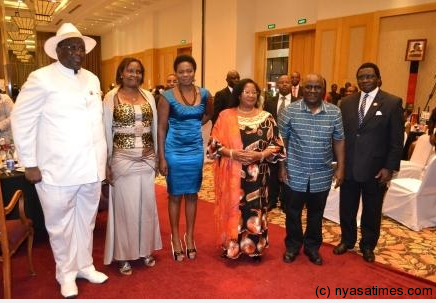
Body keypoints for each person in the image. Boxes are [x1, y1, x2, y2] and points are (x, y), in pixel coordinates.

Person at [10, 23, 108, 298]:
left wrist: (103, 162)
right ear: (58, 51)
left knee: (86, 221)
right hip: (57, 169)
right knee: (60, 225)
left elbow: (96, 122)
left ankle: (85, 265)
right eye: (72, 47)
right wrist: (29, 162)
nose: (78, 52)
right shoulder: (41, 78)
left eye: (81, 48)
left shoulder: (92, 79)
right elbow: (22, 120)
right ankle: (65, 273)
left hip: (91, 167)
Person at [208, 78, 285, 261]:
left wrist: (259, 155)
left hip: (258, 174)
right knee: (233, 208)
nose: (251, 95)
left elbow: (277, 146)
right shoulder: (226, 115)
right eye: (247, 92)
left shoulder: (267, 117)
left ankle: (254, 248)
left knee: (254, 210)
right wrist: (233, 153)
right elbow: (213, 145)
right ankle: (232, 246)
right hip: (232, 173)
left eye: (254, 92)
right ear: (239, 94)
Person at [333, 62, 403, 263]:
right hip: (350, 167)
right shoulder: (346, 103)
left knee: (372, 210)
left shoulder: (392, 102)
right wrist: (339, 164)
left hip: (376, 169)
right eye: (361, 77)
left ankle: (368, 245)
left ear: (378, 79)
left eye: (369, 76)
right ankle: (347, 240)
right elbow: (341, 136)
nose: (365, 80)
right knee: (347, 207)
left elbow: (396, 140)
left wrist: (389, 167)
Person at [103, 57, 162, 275]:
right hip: (122, 160)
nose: (134, 75)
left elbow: (154, 128)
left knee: (147, 207)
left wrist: (157, 157)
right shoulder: (111, 97)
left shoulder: (148, 96)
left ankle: (146, 249)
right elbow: (105, 131)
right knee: (125, 209)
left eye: (138, 71)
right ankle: (124, 255)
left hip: (146, 158)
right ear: (121, 73)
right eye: (130, 71)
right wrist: (106, 163)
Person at [278, 73, 345, 266]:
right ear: (300, 88)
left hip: (321, 173)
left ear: (323, 90)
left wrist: (341, 168)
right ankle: (292, 246)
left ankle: (312, 247)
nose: (313, 90)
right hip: (294, 171)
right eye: (309, 87)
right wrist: (281, 167)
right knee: (292, 212)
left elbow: (339, 140)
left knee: (316, 214)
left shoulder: (334, 112)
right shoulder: (290, 111)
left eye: (317, 87)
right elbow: (282, 141)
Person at [157, 54, 213, 261]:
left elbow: (208, 114)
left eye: (189, 70)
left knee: (192, 194)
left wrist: (193, 125)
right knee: (174, 195)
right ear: (176, 73)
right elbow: (161, 128)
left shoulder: (205, 94)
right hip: (174, 150)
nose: (185, 74)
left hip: (195, 150)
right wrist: (161, 157)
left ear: (194, 72)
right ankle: (175, 237)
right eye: (181, 71)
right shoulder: (167, 96)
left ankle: (189, 236)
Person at [263, 74, 296, 211]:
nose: (284, 84)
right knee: (273, 170)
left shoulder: (298, 101)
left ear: (291, 84)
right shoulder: (270, 101)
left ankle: (285, 201)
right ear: (277, 85)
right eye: (281, 82)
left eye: (286, 82)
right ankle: (272, 199)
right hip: (273, 141)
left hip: (292, 141)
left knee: (288, 169)